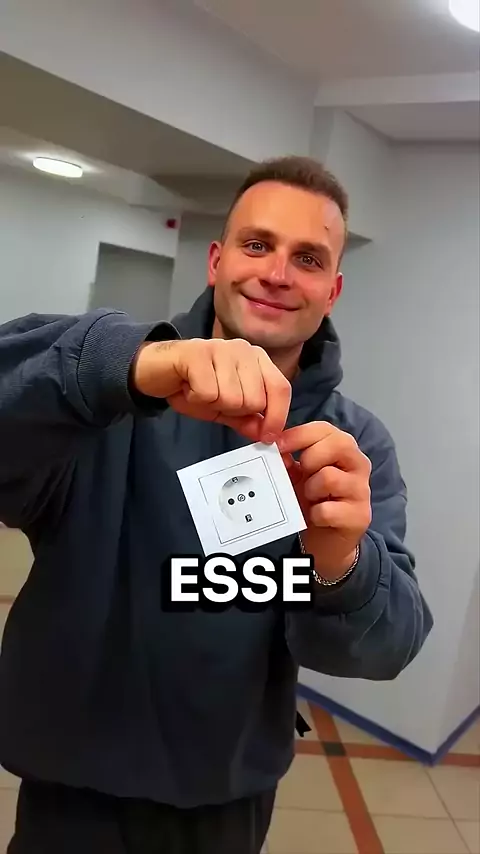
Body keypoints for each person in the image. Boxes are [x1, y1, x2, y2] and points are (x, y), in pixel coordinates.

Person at [0, 155, 433, 853]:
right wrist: (123, 365)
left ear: (332, 289)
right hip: (72, 789)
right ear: (216, 260)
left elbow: (390, 645)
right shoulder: (117, 399)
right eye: (257, 245)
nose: (277, 273)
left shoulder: (353, 446)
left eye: (308, 258)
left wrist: (340, 563)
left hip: (227, 796)